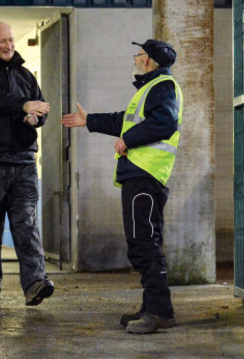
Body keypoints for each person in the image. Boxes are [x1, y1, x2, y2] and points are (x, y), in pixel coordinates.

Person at [62, 39, 183, 334]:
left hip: (146, 173)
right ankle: (152, 306)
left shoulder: (162, 86)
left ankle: (159, 311)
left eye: (140, 53)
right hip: (137, 174)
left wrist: (128, 141)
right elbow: (124, 121)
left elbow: (165, 123)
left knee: (145, 242)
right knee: (140, 242)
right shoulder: (148, 89)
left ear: (149, 60)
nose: (136, 56)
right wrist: (89, 120)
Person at [0, 21, 54, 308]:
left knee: (27, 225)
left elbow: (40, 106)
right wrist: (23, 106)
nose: (8, 45)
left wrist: (36, 117)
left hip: (24, 161)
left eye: (11, 40)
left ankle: (35, 282)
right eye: (2, 41)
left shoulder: (26, 75)